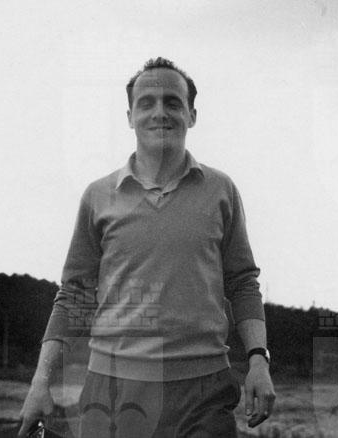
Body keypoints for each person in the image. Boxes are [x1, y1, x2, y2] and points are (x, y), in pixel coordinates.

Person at [18, 57, 275, 437]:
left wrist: (258, 360)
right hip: (112, 390)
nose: (160, 113)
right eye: (146, 103)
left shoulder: (222, 191)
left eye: (172, 102)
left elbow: (242, 283)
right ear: (130, 117)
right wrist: (41, 382)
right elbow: (73, 296)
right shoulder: (98, 197)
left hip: (204, 391)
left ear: (191, 115)